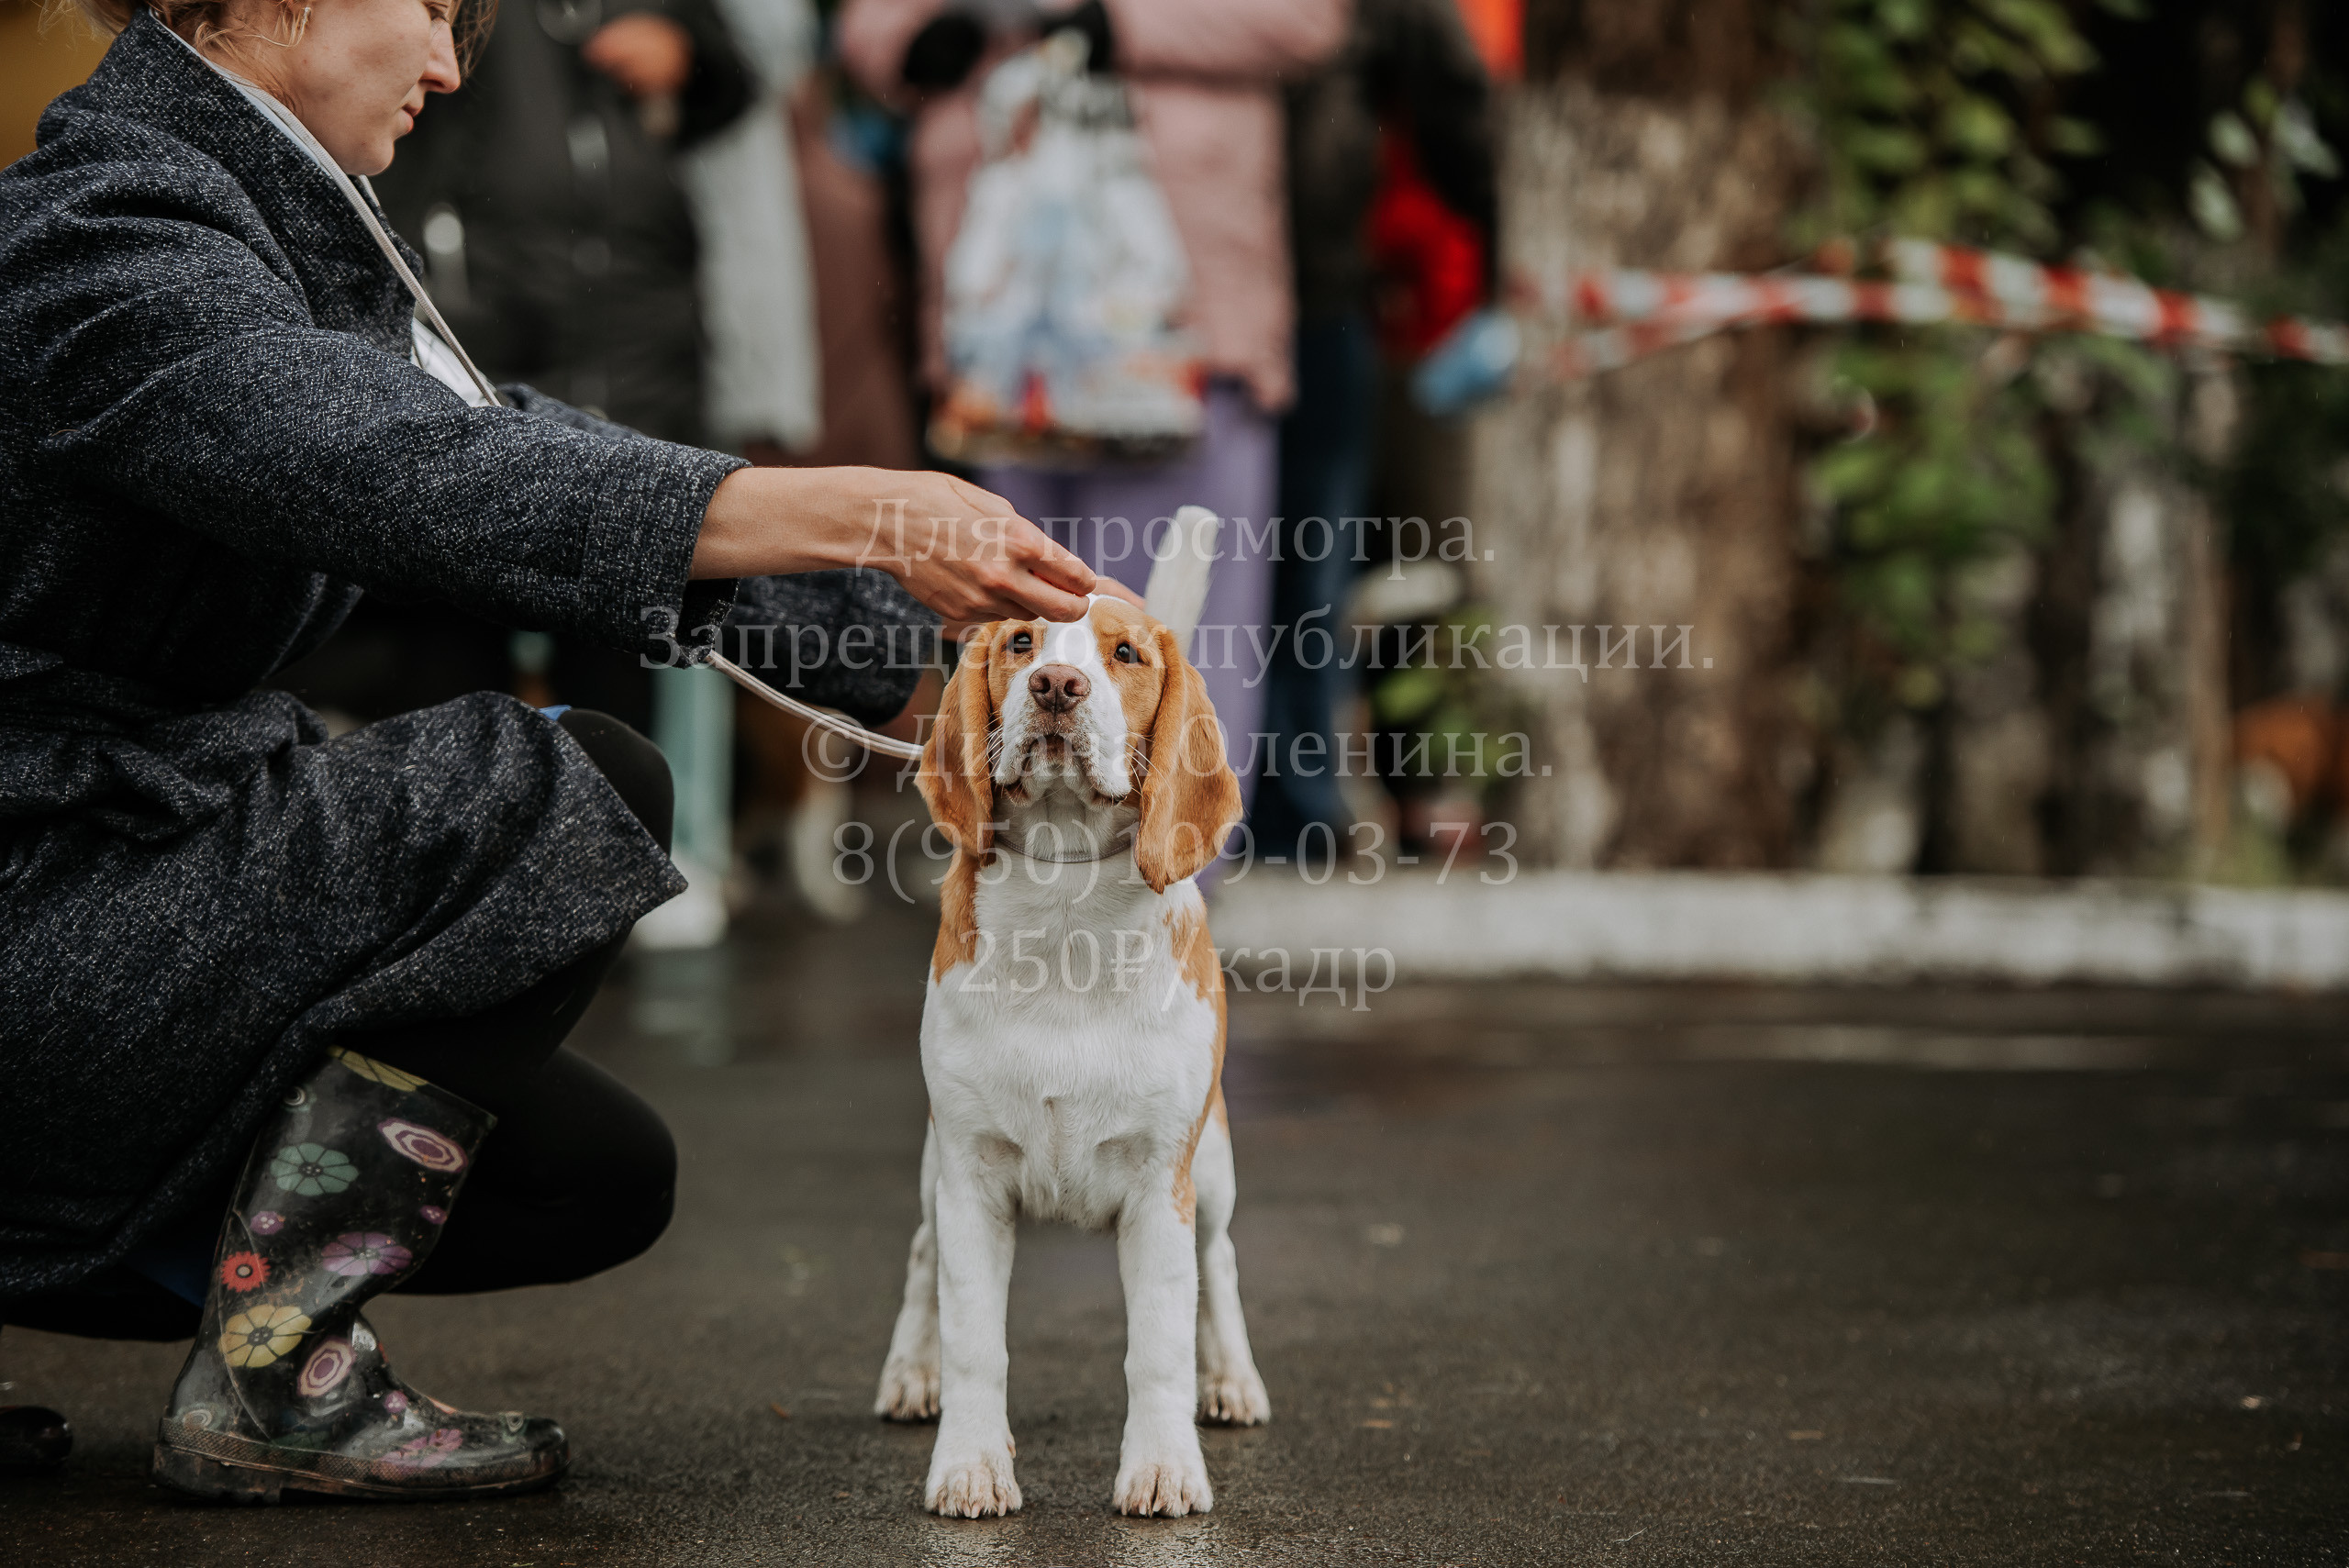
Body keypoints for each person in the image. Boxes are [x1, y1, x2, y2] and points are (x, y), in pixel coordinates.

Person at [0, 0, 1105, 1497]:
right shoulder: (103, 228)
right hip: (36, 886)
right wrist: (863, 506)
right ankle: (278, 1379)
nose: (454, 68)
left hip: (90, 869)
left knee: (586, 1173)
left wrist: (921, 677)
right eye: (438, 11)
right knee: (561, 781)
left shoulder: (260, 208)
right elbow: (401, 467)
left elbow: (517, 437)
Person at [837, 0, 1343, 818]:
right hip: (1005, 325)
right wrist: (922, 37)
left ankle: (1174, 882)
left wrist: (1119, 21)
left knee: (1181, 622)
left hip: (1181, 318)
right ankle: (1018, 869)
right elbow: (868, 30)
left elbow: (1306, 18)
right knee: (1011, 614)